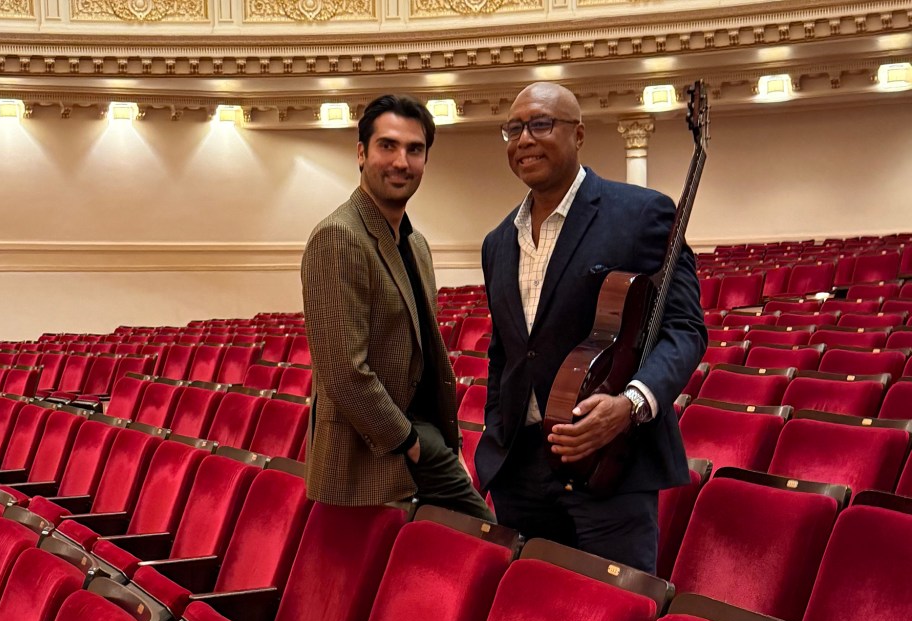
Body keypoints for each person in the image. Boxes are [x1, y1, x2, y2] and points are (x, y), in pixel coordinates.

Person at [477, 82, 707, 572]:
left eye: (541, 124)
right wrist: (495, 436)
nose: (524, 140)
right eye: (513, 129)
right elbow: (506, 353)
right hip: (521, 474)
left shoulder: (643, 212)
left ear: (578, 134)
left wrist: (630, 405)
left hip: (611, 470)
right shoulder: (497, 242)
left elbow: (685, 329)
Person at [301, 94, 493, 521]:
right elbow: (344, 373)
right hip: (372, 448)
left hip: (421, 436)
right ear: (361, 153)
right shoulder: (339, 237)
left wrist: (447, 444)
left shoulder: (416, 244)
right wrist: (410, 442)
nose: (401, 162)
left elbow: (426, 357)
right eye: (387, 146)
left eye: (414, 149)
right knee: (489, 541)